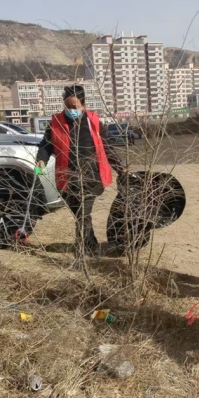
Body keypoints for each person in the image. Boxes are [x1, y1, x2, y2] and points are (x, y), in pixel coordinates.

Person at [35, 85, 126, 266]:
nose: (71, 111)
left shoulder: (94, 122)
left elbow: (107, 148)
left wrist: (121, 169)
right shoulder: (56, 123)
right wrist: (40, 162)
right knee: (80, 215)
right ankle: (91, 246)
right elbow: (46, 146)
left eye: (74, 107)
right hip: (67, 178)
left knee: (83, 214)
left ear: (83, 105)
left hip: (91, 177)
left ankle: (82, 252)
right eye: (67, 107)